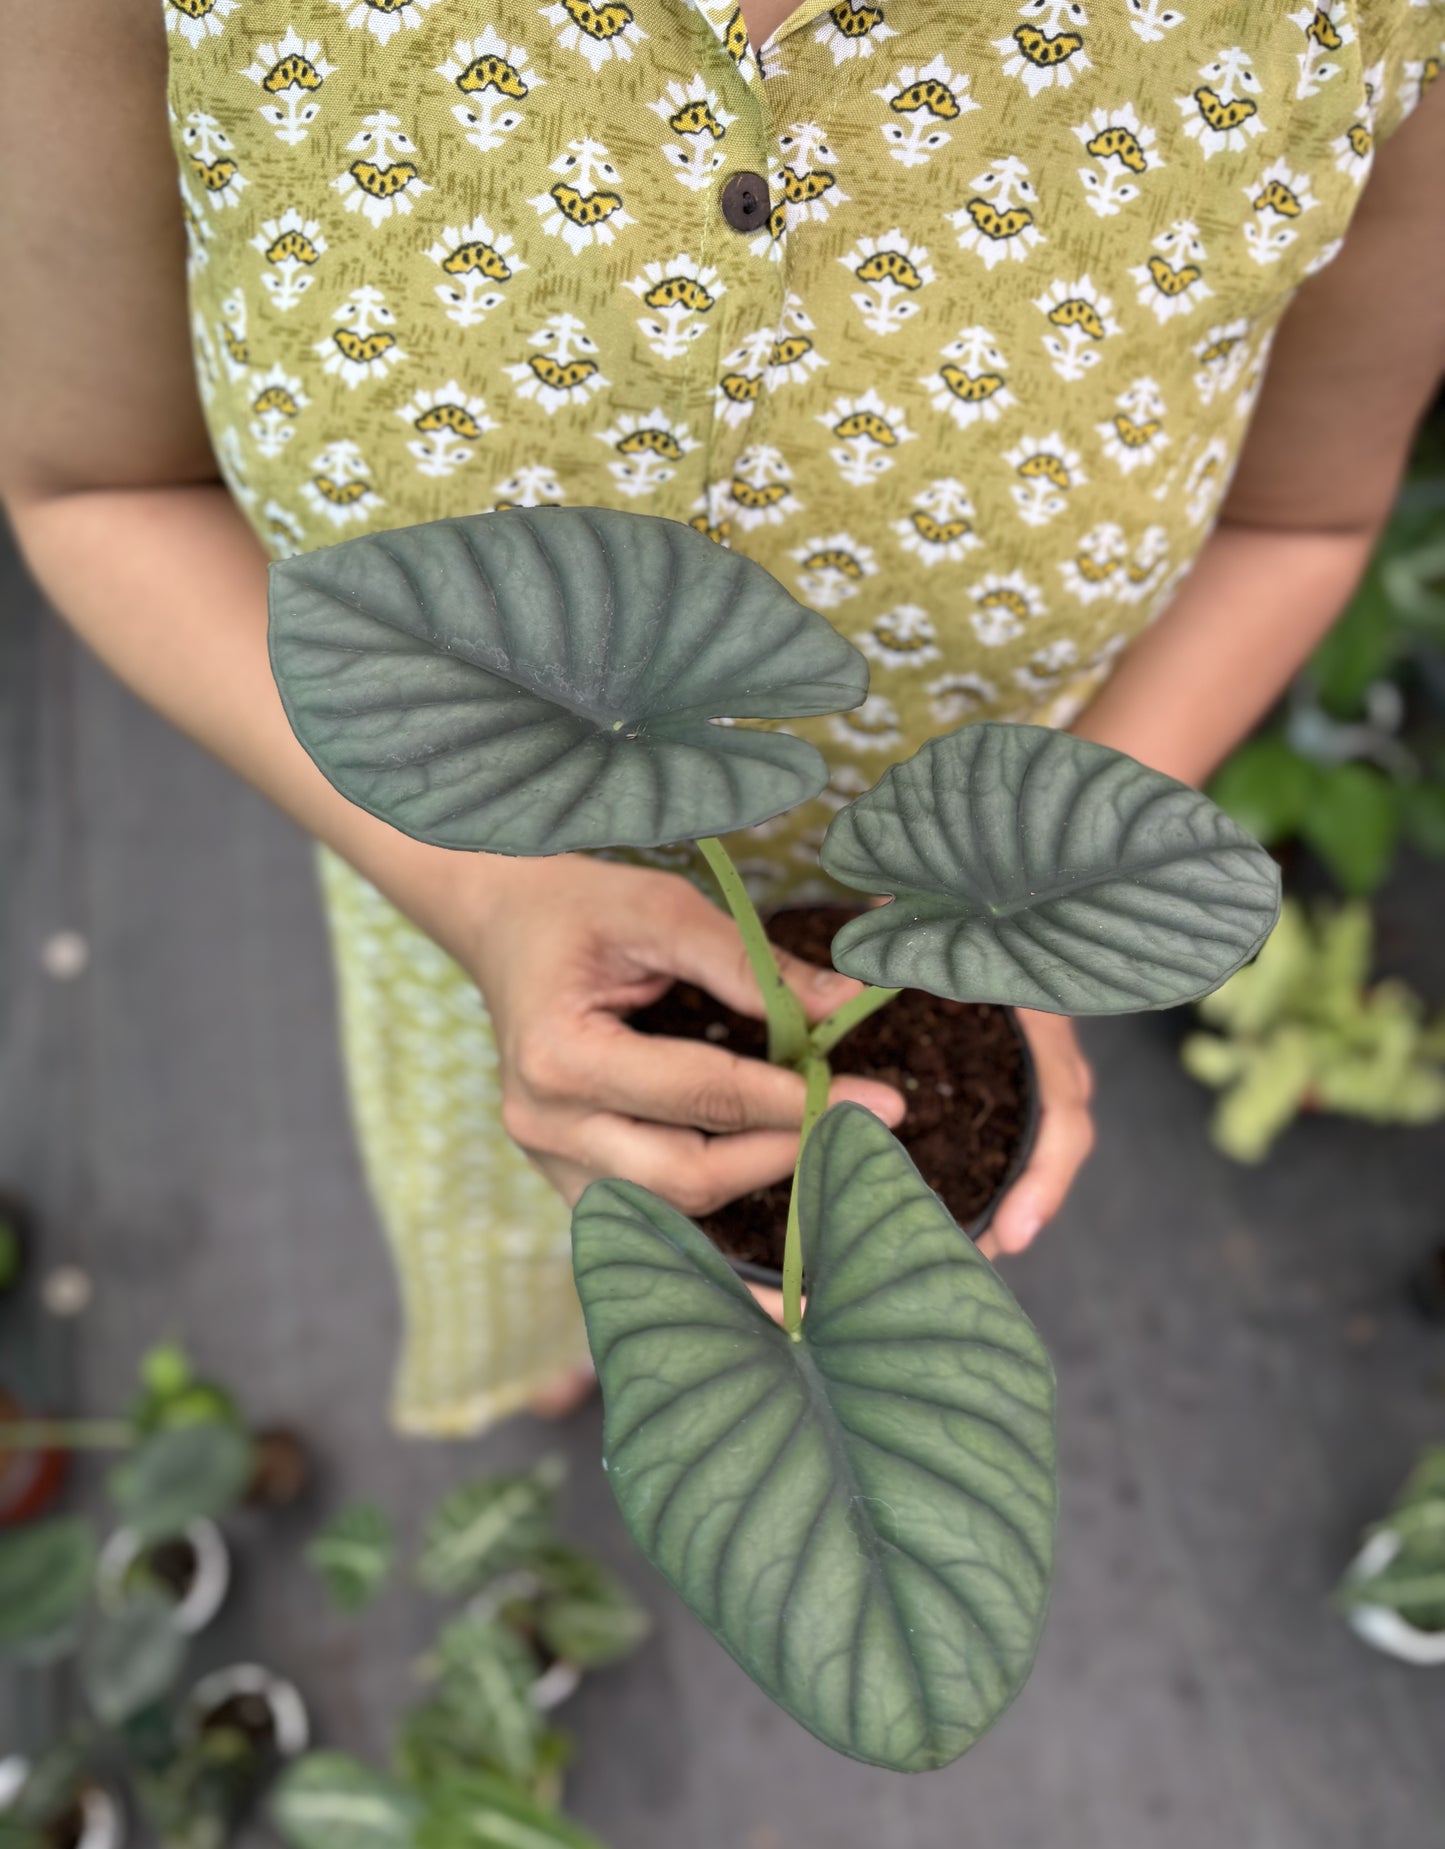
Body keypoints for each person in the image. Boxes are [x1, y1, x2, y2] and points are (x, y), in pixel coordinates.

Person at [3, 0, 1442, 1433]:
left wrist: (1024, 910)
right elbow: (99, 484)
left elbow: (1298, 514)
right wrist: (483, 899)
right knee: (542, 1243)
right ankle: (560, 1356)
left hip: (938, 935)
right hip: (449, 910)